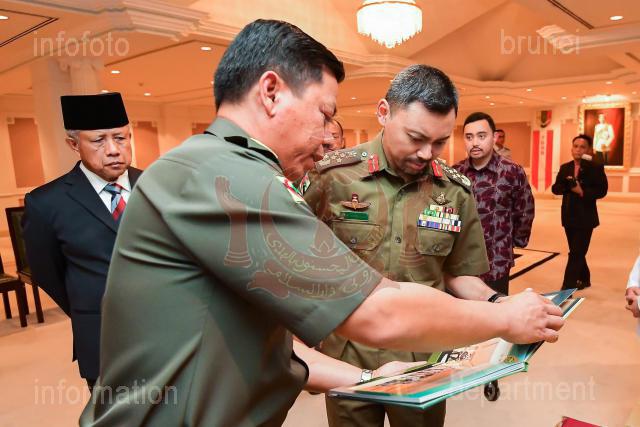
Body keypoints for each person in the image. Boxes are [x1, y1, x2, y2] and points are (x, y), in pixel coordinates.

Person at [81, 20, 564, 427]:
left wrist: (372, 379)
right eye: (324, 113)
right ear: (271, 92)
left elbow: (271, 344)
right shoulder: (225, 177)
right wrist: (506, 319)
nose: (328, 135)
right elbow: (377, 312)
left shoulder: (223, 169)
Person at [303, 66, 515, 427]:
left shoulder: (454, 191)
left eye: (440, 142)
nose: (427, 153)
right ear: (384, 113)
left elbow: (459, 274)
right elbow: (298, 261)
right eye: (416, 138)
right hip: (348, 354)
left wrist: (500, 304)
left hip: (422, 359)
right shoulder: (333, 177)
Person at [22, 92, 141, 390]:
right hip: (101, 341)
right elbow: (47, 273)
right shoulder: (46, 203)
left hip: (170, 337)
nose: (113, 150)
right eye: (99, 141)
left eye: (121, 138)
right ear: (73, 145)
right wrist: (90, 306)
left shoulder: (157, 184)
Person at [453, 112, 535, 295]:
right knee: (463, 309)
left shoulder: (512, 171)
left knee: (496, 307)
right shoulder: (455, 172)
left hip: (497, 259)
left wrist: (513, 242)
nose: (475, 142)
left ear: (494, 137)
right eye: (469, 137)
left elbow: (524, 210)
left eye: (481, 136)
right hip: (462, 261)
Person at [552, 134, 608, 290]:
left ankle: (567, 288)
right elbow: (555, 189)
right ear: (571, 149)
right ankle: (585, 279)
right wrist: (568, 186)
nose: (578, 150)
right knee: (577, 250)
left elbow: (602, 190)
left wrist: (582, 191)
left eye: (582, 147)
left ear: (589, 150)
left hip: (586, 218)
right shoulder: (565, 167)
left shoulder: (595, 167)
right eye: (575, 146)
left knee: (576, 253)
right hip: (568, 216)